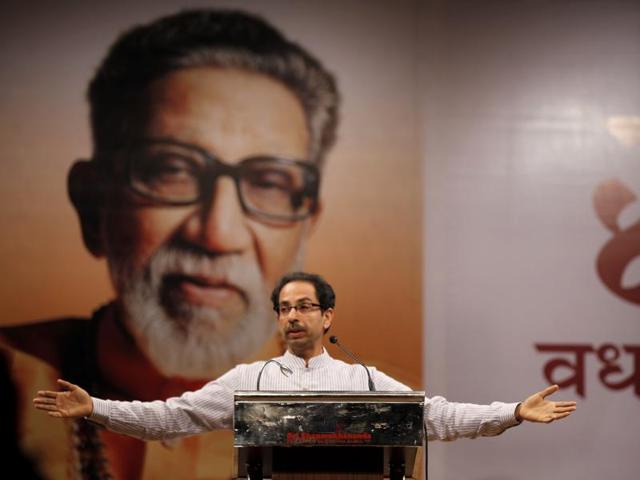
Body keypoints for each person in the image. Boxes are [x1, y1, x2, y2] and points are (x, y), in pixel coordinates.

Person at [1, 8, 338, 479]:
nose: (218, 234)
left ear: (306, 223)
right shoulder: (10, 381)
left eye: (269, 182)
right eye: (171, 170)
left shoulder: (370, 416)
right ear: (93, 205)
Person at [34, 272, 577, 452]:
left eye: (305, 307)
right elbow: (171, 418)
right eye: (284, 309)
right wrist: (97, 409)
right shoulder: (251, 380)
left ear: (327, 317)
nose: (293, 316)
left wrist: (510, 411)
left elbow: (432, 415)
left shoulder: (360, 378)